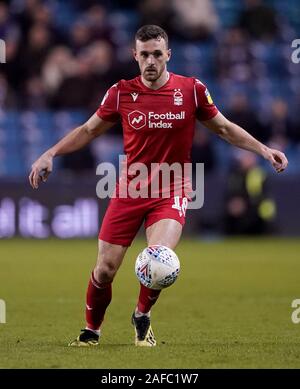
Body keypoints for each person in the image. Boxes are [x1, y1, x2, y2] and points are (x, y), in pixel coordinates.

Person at [29, 25, 288, 347]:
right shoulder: (121, 92)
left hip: (172, 188)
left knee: (159, 257)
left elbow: (223, 128)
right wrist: (50, 153)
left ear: (168, 55)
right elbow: (88, 130)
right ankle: (91, 330)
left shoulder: (191, 90)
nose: (150, 60)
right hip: (129, 189)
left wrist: (264, 149)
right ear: (135, 56)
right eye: (144, 54)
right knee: (105, 269)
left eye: (156, 54)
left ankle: (142, 315)